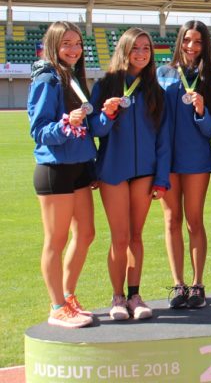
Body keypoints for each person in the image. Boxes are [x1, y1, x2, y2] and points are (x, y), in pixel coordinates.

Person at [91, 28, 170, 320]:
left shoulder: (155, 91)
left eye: (146, 48)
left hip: (145, 173)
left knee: (136, 236)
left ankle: (135, 296)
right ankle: (117, 297)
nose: (141, 53)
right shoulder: (105, 86)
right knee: (120, 237)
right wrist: (107, 114)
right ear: (124, 49)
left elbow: (163, 140)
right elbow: (95, 130)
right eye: (135, 48)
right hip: (113, 171)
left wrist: (161, 178)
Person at [28, 21, 97, 328]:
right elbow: (39, 130)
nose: (73, 49)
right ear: (54, 45)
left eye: (78, 43)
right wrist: (66, 122)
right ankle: (57, 306)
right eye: (66, 43)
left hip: (79, 166)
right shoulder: (46, 78)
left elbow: (86, 129)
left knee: (86, 234)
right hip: (54, 168)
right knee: (55, 240)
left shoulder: (73, 76)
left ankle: (68, 297)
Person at [157, 21, 211, 308]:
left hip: (196, 159)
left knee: (194, 220)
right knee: (171, 221)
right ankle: (178, 284)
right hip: (167, 160)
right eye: (187, 40)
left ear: (204, 46)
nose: (191, 47)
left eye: (198, 42)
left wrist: (202, 110)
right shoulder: (162, 74)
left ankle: (197, 284)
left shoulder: (210, 78)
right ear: (179, 41)